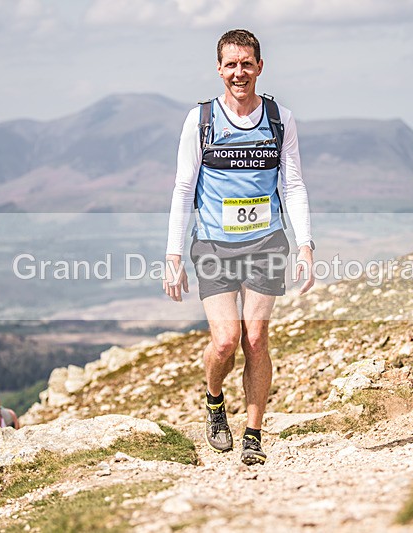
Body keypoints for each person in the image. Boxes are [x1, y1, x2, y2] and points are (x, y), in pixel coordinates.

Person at [164, 29, 315, 465]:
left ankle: (253, 433)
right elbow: (182, 188)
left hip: (267, 241)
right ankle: (214, 401)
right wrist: (174, 256)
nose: (239, 72)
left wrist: (305, 245)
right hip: (213, 243)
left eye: (246, 63)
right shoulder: (202, 120)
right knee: (227, 340)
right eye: (231, 64)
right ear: (218, 69)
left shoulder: (280, 118)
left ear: (260, 67)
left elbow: (294, 183)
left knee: (256, 339)